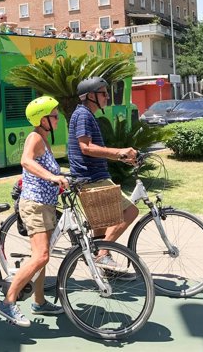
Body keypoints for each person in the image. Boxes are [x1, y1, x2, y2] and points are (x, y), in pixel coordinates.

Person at [0, 96, 69, 327]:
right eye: (55, 115)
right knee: (41, 256)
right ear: (43, 119)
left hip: (46, 205)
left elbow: (47, 168)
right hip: (35, 205)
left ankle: (39, 302)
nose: (58, 119)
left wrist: (66, 177)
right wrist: (51, 176)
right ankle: (7, 302)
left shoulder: (45, 139)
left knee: (43, 255)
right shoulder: (35, 137)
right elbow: (26, 161)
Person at [68, 77, 138, 271]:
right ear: (91, 96)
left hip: (94, 176)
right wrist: (118, 152)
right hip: (91, 178)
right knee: (131, 211)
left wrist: (121, 157)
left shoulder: (86, 114)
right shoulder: (83, 115)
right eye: (103, 93)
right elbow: (86, 147)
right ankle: (103, 254)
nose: (107, 96)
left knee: (101, 225)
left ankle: (104, 266)